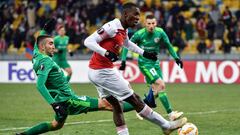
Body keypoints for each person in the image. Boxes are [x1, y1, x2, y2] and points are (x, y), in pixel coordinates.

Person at [16, 19, 135, 135]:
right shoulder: (46, 61)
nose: (53, 46)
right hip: (68, 100)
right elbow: (40, 85)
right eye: (50, 43)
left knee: (55, 125)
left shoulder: (36, 54)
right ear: (43, 47)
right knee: (108, 104)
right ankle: (142, 104)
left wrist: (44, 29)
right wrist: (54, 105)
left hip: (59, 100)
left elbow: (39, 41)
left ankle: (24, 134)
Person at [84, 2, 187, 135]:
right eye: (135, 15)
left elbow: (127, 43)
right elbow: (88, 41)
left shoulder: (123, 29)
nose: (138, 19)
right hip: (102, 71)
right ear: (125, 14)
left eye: (139, 16)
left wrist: (144, 53)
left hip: (96, 70)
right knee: (134, 99)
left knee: (116, 105)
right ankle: (166, 125)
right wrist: (106, 53)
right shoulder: (111, 27)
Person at [119, 14, 184, 121]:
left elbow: (168, 45)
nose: (151, 26)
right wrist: (123, 61)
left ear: (156, 23)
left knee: (157, 90)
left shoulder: (160, 32)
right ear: (145, 24)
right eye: (149, 23)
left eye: (153, 23)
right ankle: (171, 114)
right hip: (145, 64)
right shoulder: (139, 34)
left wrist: (176, 58)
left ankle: (141, 109)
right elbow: (127, 46)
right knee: (161, 85)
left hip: (155, 64)